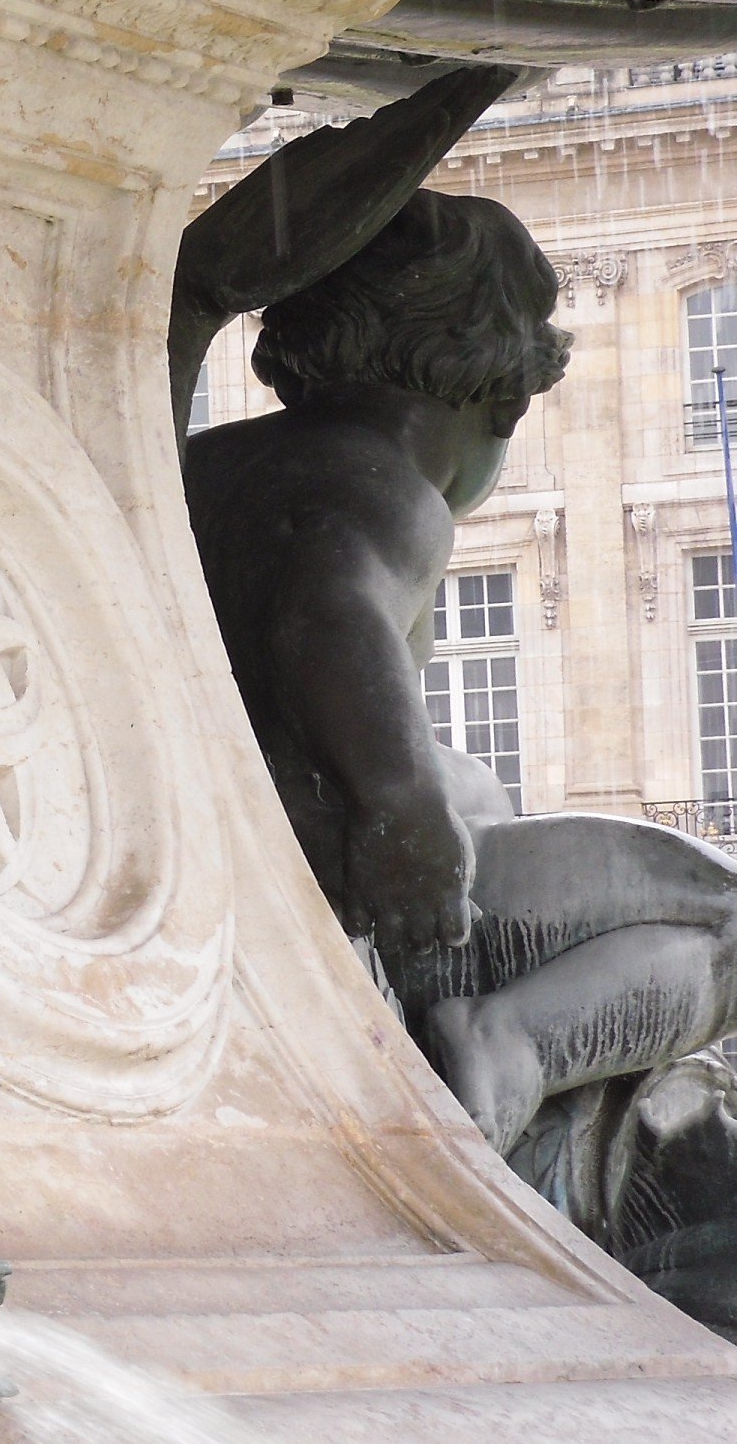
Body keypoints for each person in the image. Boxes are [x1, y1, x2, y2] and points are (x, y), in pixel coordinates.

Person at [188, 185, 737, 1165]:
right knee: (731, 927)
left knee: (476, 783)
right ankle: (509, 1042)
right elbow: (325, 608)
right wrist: (400, 798)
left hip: (226, 863)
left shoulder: (209, 464)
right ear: (499, 395)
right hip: (359, 889)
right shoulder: (380, 483)